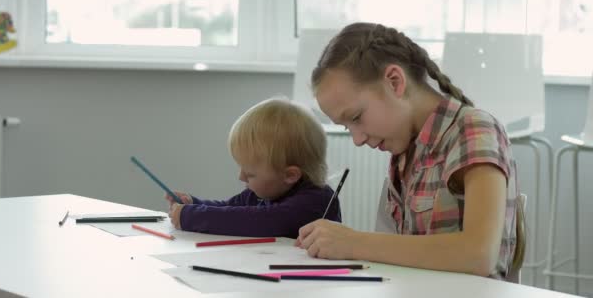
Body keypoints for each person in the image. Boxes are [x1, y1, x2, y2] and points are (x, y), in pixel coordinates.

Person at [296, 22, 524, 280]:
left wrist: (353, 242)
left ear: (395, 82)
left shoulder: (474, 130)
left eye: (357, 117)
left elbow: (479, 254)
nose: (357, 140)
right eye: (347, 128)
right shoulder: (405, 151)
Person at [165, 97, 341, 238]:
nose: (241, 177)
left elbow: (259, 221)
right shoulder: (263, 192)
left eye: (250, 174)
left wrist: (192, 215)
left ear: (290, 175)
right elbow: (229, 208)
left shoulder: (315, 200)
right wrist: (194, 203)